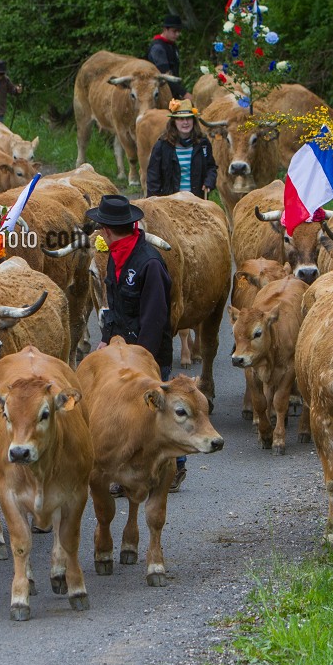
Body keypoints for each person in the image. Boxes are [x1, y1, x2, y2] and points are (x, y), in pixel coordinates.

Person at [88, 194, 186, 491]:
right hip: (124, 351)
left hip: (149, 352)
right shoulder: (115, 257)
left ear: (106, 230)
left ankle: (175, 468)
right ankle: (128, 470)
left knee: (164, 412)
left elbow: (156, 318)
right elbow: (113, 305)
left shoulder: (150, 264)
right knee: (130, 413)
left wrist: (142, 358)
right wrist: (105, 340)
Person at [146, 98, 218, 200]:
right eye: (181, 119)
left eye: (188, 118)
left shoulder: (203, 144)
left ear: (193, 120)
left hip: (196, 199)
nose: (185, 122)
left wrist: (209, 182)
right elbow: (153, 176)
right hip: (170, 201)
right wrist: (154, 200)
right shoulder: (162, 145)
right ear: (174, 122)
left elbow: (211, 167)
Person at [148, 14, 187, 100]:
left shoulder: (172, 45)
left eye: (179, 31)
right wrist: (184, 93)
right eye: (174, 31)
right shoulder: (158, 48)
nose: (177, 34)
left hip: (172, 91)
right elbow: (166, 77)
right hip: (160, 93)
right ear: (165, 29)